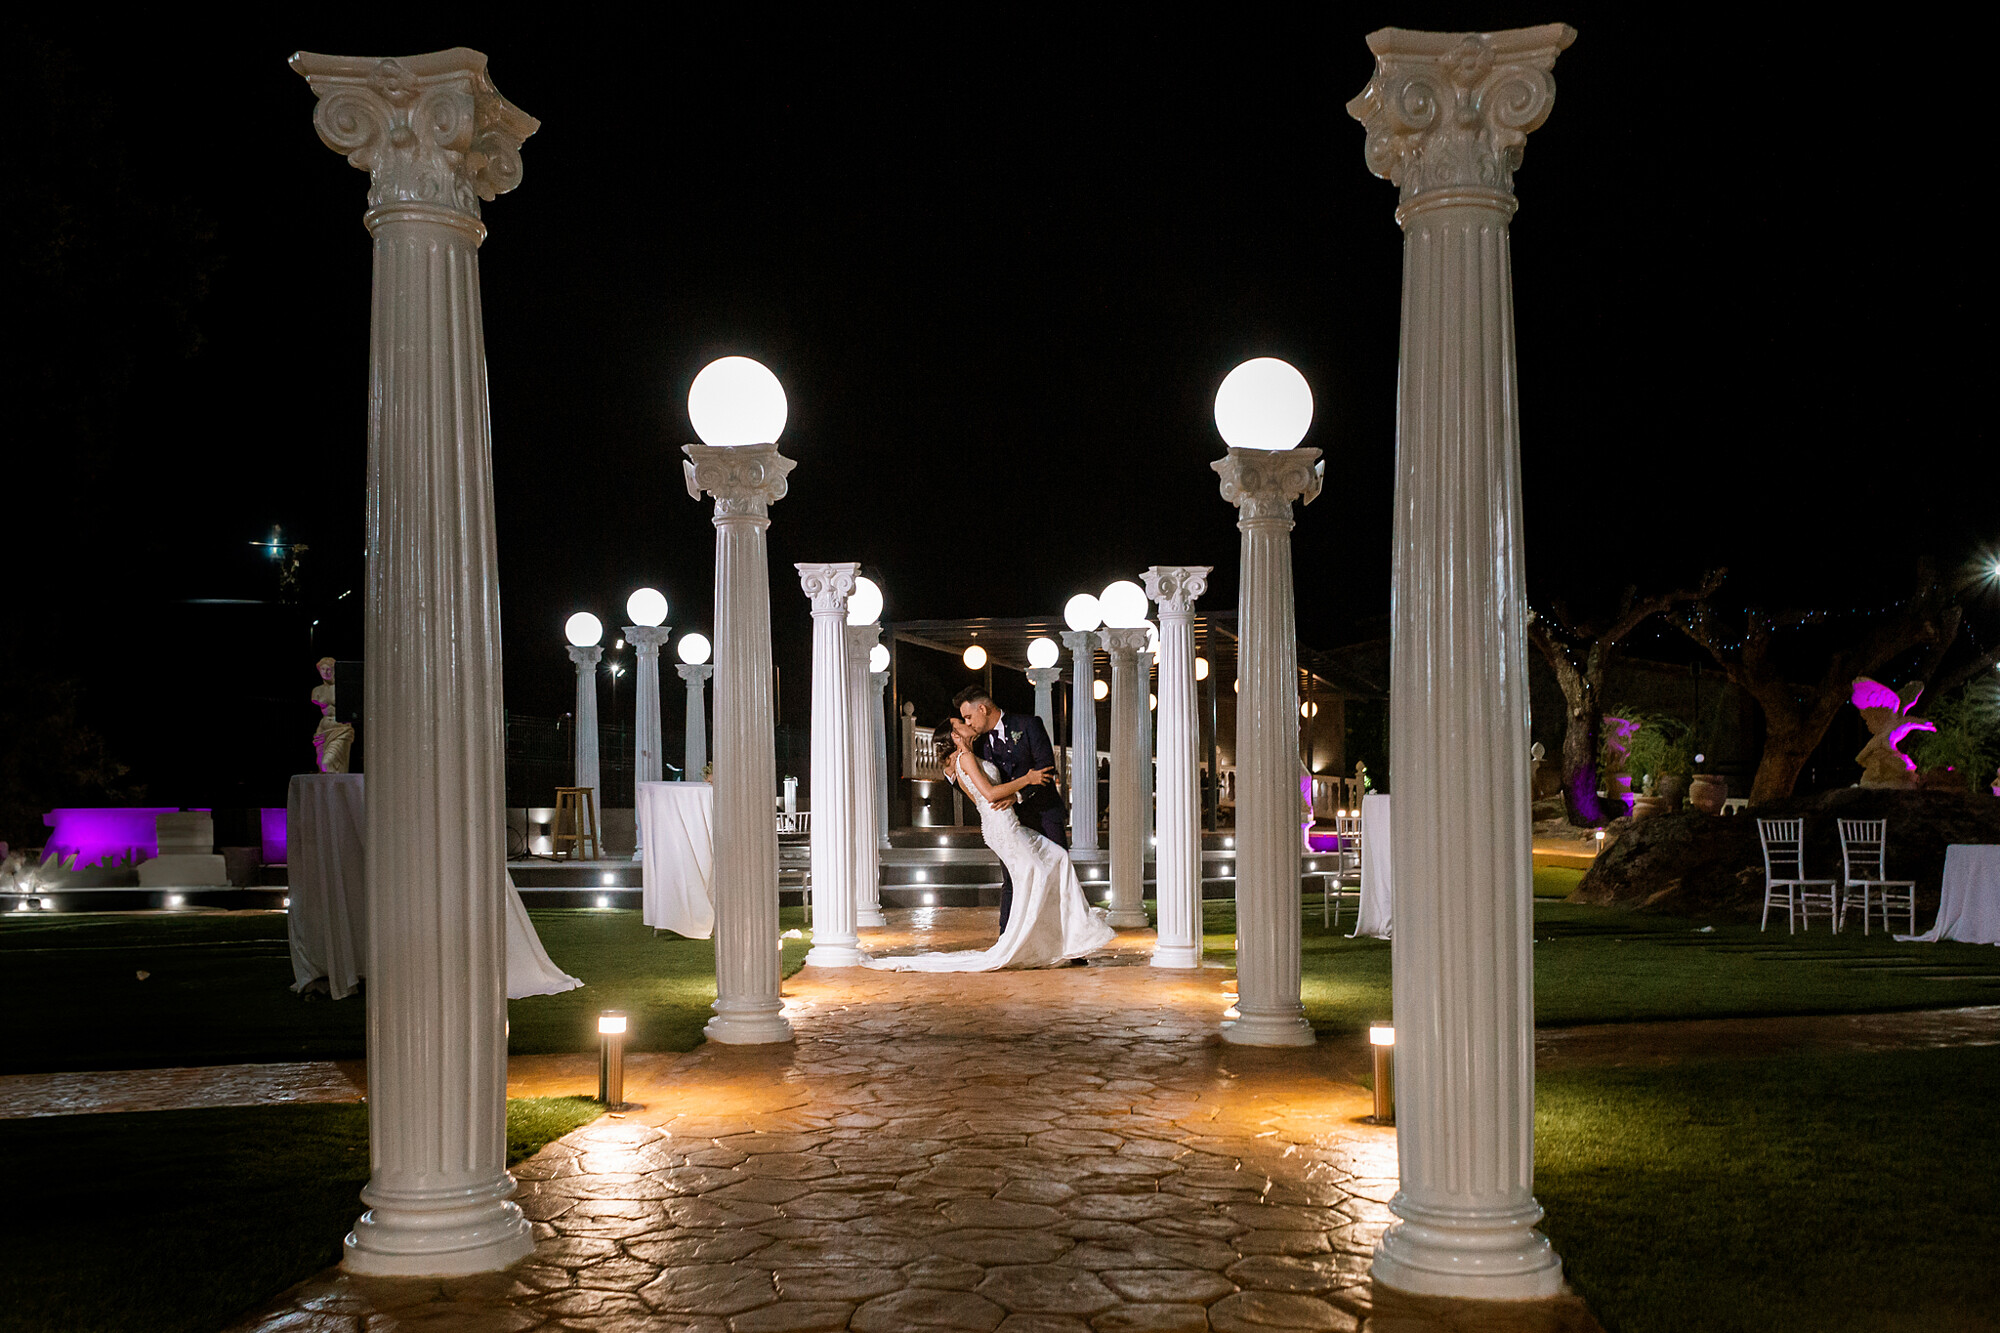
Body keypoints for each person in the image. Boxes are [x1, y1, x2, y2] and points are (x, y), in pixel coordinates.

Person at [865, 718, 1111, 971]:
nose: (965, 722)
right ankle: (1025, 943)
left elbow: (983, 799)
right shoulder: (965, 760)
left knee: (1056, 858)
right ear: (955, 736)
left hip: (1000, 824)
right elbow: (990, 795)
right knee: (1036, 876)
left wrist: (1011, 796)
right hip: (1002, 827)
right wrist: (1028, 778)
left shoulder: (963, 760)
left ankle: (1060, 939)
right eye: (960, 723)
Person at [954, 685, 1066, 932]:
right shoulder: (979, 743)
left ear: (983, 708)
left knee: (1058, 875)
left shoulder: (1028, 725)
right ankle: (1008, 938)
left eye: (969, 716)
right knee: (1013, 880)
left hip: (1045, 814)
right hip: (1012, 824)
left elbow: (1046, 770)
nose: (968, 723)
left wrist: (1018, 795)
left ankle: (1068, 944)